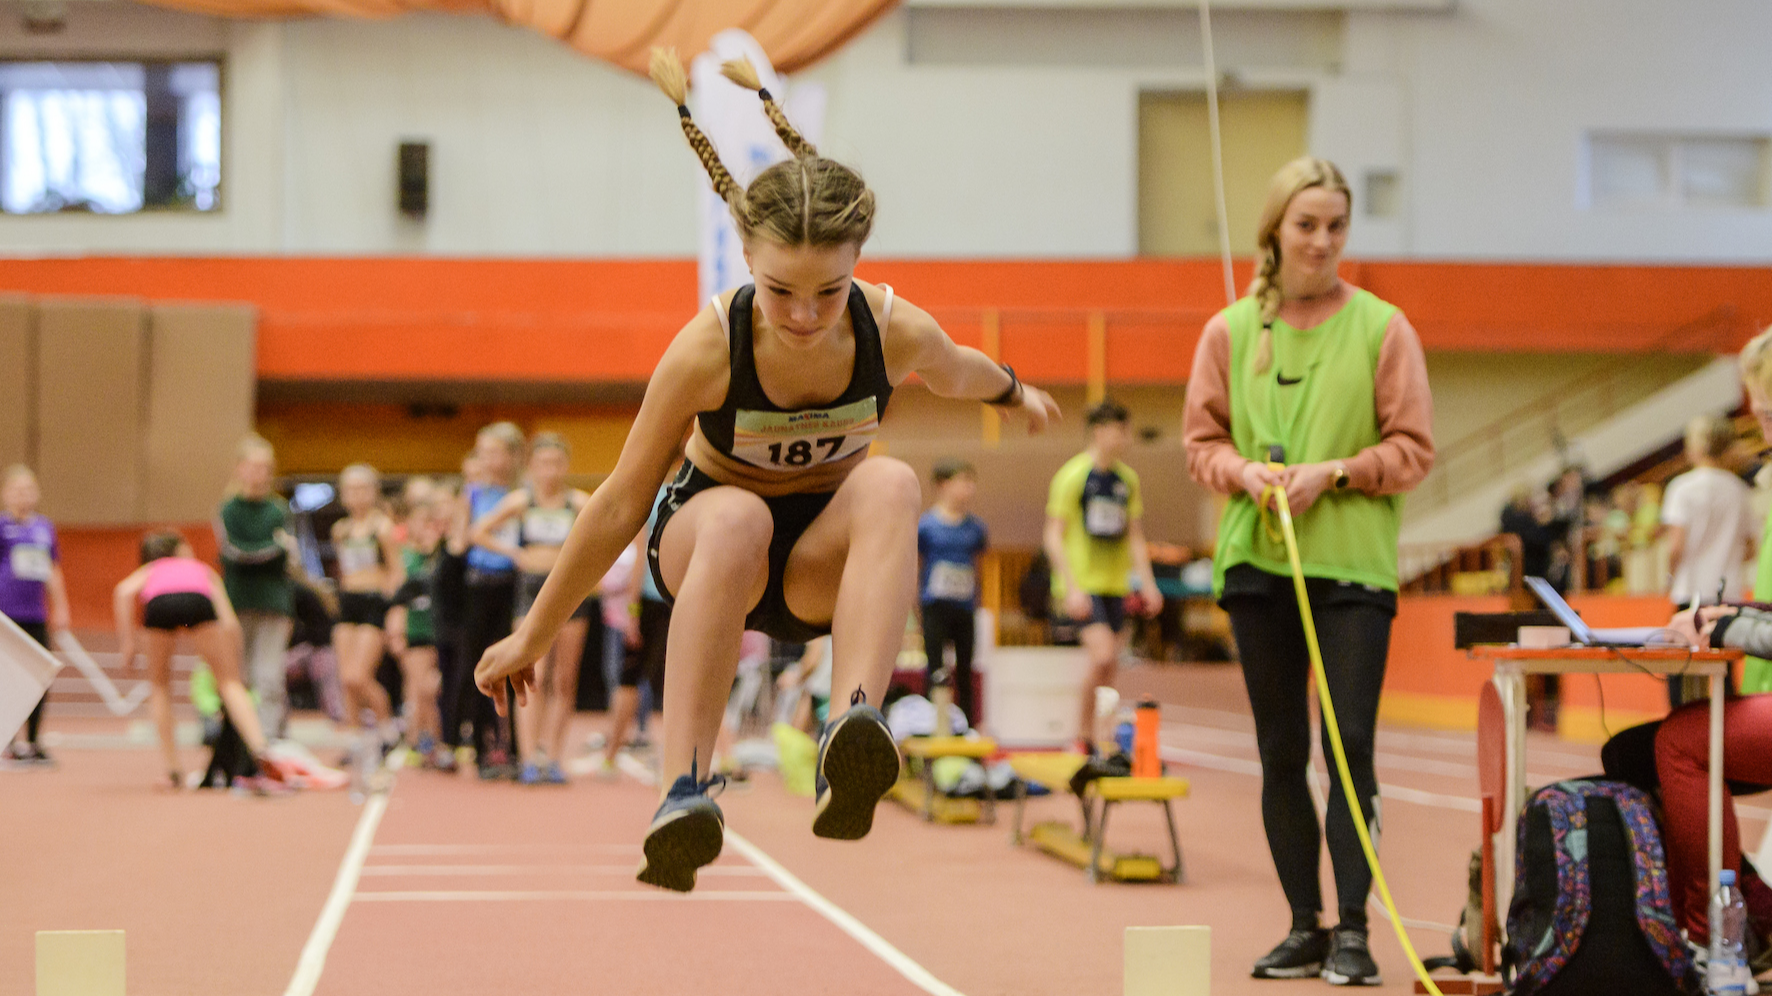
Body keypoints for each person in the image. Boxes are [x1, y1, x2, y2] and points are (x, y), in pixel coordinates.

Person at [475, 49, 1057, 894]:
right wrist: (534, 633)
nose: (806, 316)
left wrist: (1013, 391)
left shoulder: (890, 329)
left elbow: (958, 368)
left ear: (858, 263)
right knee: (740, 516)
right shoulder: (709, 349)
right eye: (782, 290)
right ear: (746, 252)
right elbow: (617, 504)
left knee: (892, 482)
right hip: (709, 548)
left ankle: (849, 730)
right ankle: (684, 790)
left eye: (829, 291)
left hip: (815, 565)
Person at [1183, 156, 1434, 986]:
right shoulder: (1228, 332)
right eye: (1307, 225)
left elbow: (1413, 449)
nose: (1323, 241)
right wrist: (1243, 474)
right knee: (1281, 749)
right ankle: (1305, 925)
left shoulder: (1383, 327)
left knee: (1349, 744)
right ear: (1275, 231)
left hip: (1353, 568)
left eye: (1336, 226)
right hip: (1259, 562)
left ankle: (1356, 930)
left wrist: (1338, 472)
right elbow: (1201, 445)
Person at [114, 531, 290, 790]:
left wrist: (127, 643)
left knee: (159, 686)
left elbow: (122, 591)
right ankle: (261, 751)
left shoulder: (151, 570)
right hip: (198, 601)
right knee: (230, 683)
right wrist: (235, 660)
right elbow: (229, 622)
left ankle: (173, 770)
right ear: (179, 549)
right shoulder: (201, 569)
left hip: (159, 605)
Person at [469, 434, 593, 785]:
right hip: (532, 590)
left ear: (566, 466)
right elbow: (478, 531)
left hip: (569, 590)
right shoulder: (522, 501)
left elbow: (613, 532)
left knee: (564, 679)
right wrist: (515, 554)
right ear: (532, 467)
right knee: (531, 672)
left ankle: (552, 757)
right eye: (543, 463)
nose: (550, 470)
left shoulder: (577, 502)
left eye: (556, 463)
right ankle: (527, 758)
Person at [1044, 400, 1162, 755]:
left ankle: (1100, 737)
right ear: (1099, 430)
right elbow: (1052, 536)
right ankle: (1081, 736)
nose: (1125, 437)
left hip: (1115, 584)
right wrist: (1071, 586)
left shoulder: (1128, 480)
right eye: (1119, 429)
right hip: (1082, 584)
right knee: (1102, 656)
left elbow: (1134, 536)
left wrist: (1148, 583)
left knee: (1110, 666)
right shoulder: (1073, 476)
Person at [214, 435, 297, 740]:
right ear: (240, 469)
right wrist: (272, 549)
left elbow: (287, 553)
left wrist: (273, 551)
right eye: (253, 466)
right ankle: (240, 738)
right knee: (239, 676)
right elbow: (233, 551)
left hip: (274, 603)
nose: (260, 473)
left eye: (265, 467)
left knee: (269, 676)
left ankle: (270, 741)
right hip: (237, 602)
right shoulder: (228, 510)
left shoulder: (279, 510)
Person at [462, 423, 526, 779]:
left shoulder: (523, 493)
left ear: (513, 455)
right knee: (480, 665)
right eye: (482, 452)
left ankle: (516, 746)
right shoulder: (473, 493)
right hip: (479, 586)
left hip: (515, 586)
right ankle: (482, 746)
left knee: (515, 664)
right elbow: (465, 539)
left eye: (493, 451)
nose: (486, 459)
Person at [330, 464, 402, 755]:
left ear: (373, 492)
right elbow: (343, 569)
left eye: (363, 488)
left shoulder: (382, 528)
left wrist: (391, 603)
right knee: (346, 679)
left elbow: (396, 571)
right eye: (351, 489)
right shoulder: (341, 530)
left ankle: (387, 730)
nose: (357, 495)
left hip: (374, 602)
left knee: (359, 676)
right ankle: (354, 739)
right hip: (348, 602)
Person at [1, 465, 70, 764]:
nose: (23, 495)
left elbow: (53, 569)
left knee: (40, 676)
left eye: (29, 490)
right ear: (5, 494)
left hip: (35, 613)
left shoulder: (44, 527)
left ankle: (33, 740)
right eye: (17, 490)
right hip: (6, 614)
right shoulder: (1, 526)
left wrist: (62, 606)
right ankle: (9, 739)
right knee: (7, 678)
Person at [917, 459, 988, 726]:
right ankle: (931, 724)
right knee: (935, 669)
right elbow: (918, 567)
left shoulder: (976, 528)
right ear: (943, 485)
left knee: (966, 671)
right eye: (963, 482)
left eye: (971, 483)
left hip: (964, 608)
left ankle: (967, 727)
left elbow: (978, 567)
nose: (968, 489)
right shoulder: (926, 526)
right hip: (934, 606)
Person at [387, 486, 444, 765]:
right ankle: (419, 739)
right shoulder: (406, 556)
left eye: (430, 522)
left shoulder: (441, 557)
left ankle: (435, 739)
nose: (425, 528)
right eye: (419, 522)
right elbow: (397, 597)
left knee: (434, 688)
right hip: (416, 630)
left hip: (441, 631)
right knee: (419, 687)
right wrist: (395, 630)